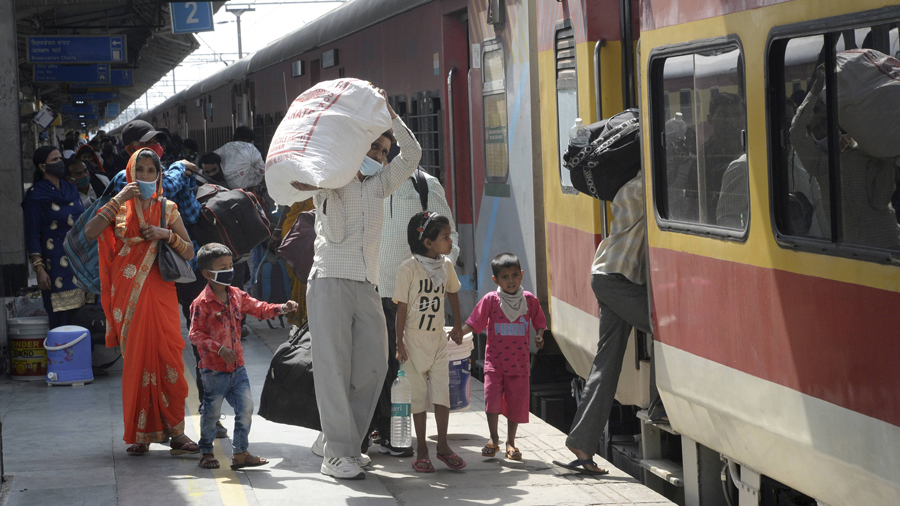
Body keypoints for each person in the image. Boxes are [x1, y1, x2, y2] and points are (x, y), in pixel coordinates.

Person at [295, 87, 421, 480]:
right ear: (356, 148)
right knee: (333, 368)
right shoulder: (331, 180)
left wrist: (390, 117)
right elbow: (301, 182)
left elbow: (413, 155)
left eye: (383, 151)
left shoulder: (380, 184)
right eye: (374, 149)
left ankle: (339, 441)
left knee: (371, 366)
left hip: (367, 284)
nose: (380, 157)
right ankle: (338, 454)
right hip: (329, 280)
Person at [82, 148, 199, 456]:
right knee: (136, 362)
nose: (146, 176)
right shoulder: (118, 207)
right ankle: (139, 434)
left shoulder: (167, 208)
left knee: (169, 357)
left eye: (152, 171)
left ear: (159, 175)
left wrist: (165, 235)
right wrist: (119, 198)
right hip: (127, 296)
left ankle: (177, 432)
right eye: (141, 170)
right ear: (131, 173)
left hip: (160, 293)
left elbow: (189, 252)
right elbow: (90, 231)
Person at [558, 171, 657, 476]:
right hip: (620, 279)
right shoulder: (648, 184)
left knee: (606, 363)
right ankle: (664, 407)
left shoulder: (626, 183)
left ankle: (582, 443)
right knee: (671, 335)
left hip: (606, 273)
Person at [189, 243, 298, 470]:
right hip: (213, 371)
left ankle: (240, 453)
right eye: (223, 267)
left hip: (238, 369)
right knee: (211, 413)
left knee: (246, 409)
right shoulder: (201, 304)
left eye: (230, 265)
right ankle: (206, 452)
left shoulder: (237, 295)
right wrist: (219, 349)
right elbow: (195, 334)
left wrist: (282, 308)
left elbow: (259, 308)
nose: (229, 270)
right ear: (208, 273)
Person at [373, 166, 459, 456]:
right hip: (378, 288)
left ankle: (403, 437)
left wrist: (435, 273)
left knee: (402, 369)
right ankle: (388, 433)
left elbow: (450, 237)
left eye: (384, 148)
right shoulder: (369, 182)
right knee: (386, 366)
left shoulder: (425, 185)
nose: (379, 156)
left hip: (413, 296)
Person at [790, 65, 900, 249]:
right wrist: (816, 89)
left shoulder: (866, 151)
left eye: (825, 123)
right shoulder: (818, 165)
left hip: (887, 245)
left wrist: (886, 160)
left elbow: (881, 200)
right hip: (850, 255)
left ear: (836, 123)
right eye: (816, 130)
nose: (823, 130)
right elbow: (796, 132)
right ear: (813, 138)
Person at [392, 212, 465, 472]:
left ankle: (443, 445)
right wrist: (400, 343)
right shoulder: (408, 269)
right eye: (445, 237)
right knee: (419, 399)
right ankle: (422, 448)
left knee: (442, 394)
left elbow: (453, 292)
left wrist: (457, 325)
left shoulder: (445, 265)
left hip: (436, 340)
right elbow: (401, 309)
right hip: (413, 341)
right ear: (428, 243)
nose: (450, 242)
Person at [461, 253, 546, 462]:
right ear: (495, 280)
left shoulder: (529, 301)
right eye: (505, 277)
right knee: (492, 403)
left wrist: (540, 335)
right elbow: (474, 322)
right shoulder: (491, 300)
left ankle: (511, 442)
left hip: (519, 366)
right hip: (494, 364)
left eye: (515, 275)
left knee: (515, 405)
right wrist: (457, 334)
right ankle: (494, 439)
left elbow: (539, 321)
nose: (511, 281)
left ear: (522, 275)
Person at [22, 147, 88, 329]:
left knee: (84, 315)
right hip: (55, 266)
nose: (60, 163)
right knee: (62, 317)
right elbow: (32, 233)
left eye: (60, 158)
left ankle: (84, 355)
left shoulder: (70, 188)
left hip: (81, 263)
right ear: (43, 167)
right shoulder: (36, 196)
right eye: (55, 160)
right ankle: (63, 354)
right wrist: (39, 269)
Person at [214, 126, 265, 191]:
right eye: (248, 141)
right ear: (239, 140)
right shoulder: (250, 150)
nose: (248, 145)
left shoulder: (225, 150)